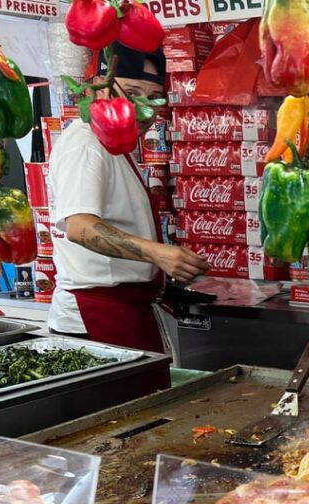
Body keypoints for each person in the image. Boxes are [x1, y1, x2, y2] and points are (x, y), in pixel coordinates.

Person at [47, 43, 208, 352]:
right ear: (100, 86)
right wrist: (157, 254)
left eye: (152, 97)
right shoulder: (86, 143)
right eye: (131, 93)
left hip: (125, 310)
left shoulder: (116, 143)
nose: (143, 109)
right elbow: (80, 226)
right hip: (94, 316)